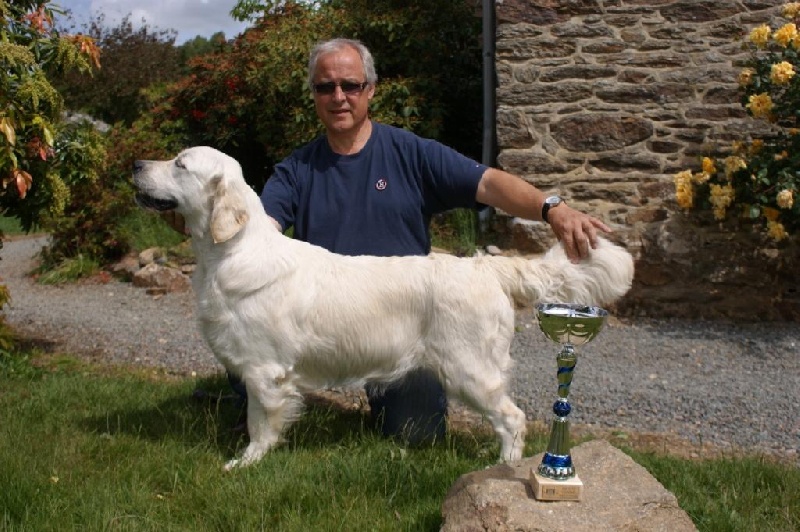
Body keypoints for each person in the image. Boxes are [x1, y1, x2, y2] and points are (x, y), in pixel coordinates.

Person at [254, 38, 612, 445]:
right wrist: (205, 222)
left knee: (417, 436)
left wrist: (552, 208)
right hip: (326, 332)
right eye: (325, 87)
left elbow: (489, 183)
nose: (339, 97)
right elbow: (261, 234)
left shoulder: (410, 153)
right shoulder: (295, 170)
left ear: (370, 89)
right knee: (246, 354)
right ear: (314, 94)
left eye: (350, 85)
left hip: (407, 331)